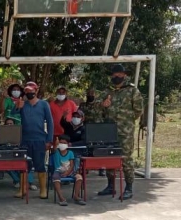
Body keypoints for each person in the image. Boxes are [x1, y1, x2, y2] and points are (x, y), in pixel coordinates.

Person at [94, 64, 143, 200]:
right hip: (109, 130)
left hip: (125, 132)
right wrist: (103, 104)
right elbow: (96, 106)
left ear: (124, 75)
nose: (117, 76)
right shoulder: (107, 91)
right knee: (109, 156)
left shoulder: (132, 90)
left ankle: (129, 188)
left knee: (126, 158)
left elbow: (139, 110)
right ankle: (110, 186)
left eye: (119, 74)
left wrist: (126, 120)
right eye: (114, 74)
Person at [13, 81, 54, 199]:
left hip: (39, 139)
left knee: (40, 165)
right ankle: (22, 189)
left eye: (31, 91)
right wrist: (17, 107)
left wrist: (49, 140)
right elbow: (11, 115)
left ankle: (43, 189)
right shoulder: (22, 104)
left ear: (36, 91)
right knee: (24, 165)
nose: (29, 93)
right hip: (25, 140)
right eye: (27, 91)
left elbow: (50, 123)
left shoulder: (44, 104)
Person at [3, 118, 37, 190]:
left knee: (28, 164)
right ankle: (17, 181)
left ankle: (30, 183)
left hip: (20, 152)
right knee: (7, 166)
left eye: (11, 124)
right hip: (8, 154)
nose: (9, 125)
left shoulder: (20, 133)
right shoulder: (2, 134)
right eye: (7, 124)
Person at [52, 135, 85, 206]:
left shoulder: (70, 153)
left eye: (64, 143)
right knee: (56, 178)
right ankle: (61, 198)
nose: (62, 144)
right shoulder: (56, 152)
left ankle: (76, 196)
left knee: (79, 177)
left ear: (67, 144)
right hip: (58, 171)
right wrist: (56, 144)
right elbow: (54, 149)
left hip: (69, 171)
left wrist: (67, 173)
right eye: (60, 143)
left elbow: (72, 165)